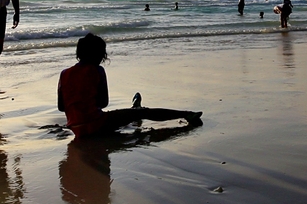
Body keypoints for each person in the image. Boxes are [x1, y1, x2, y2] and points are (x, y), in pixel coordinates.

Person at [58, 33, 202, 138]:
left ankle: (133, 112)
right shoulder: (97, 70)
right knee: (142, 113)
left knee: (124, 117)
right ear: (100, 54)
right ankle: (187, 114)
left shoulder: (64, 73)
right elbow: (103, 103)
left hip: (76, 128)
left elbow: (61, 107)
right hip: (97, 125)